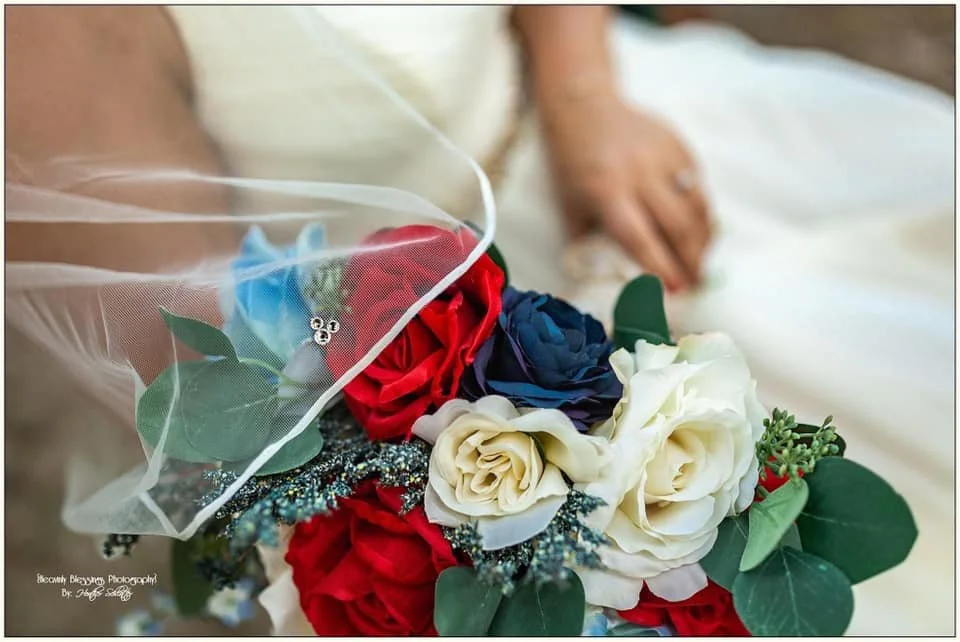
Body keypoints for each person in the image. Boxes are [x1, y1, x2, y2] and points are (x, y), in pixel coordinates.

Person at [6, 6, 954, 635]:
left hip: (601, 117)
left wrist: (585, 98)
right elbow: (213, 382)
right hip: (426, 368)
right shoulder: (52, 34)